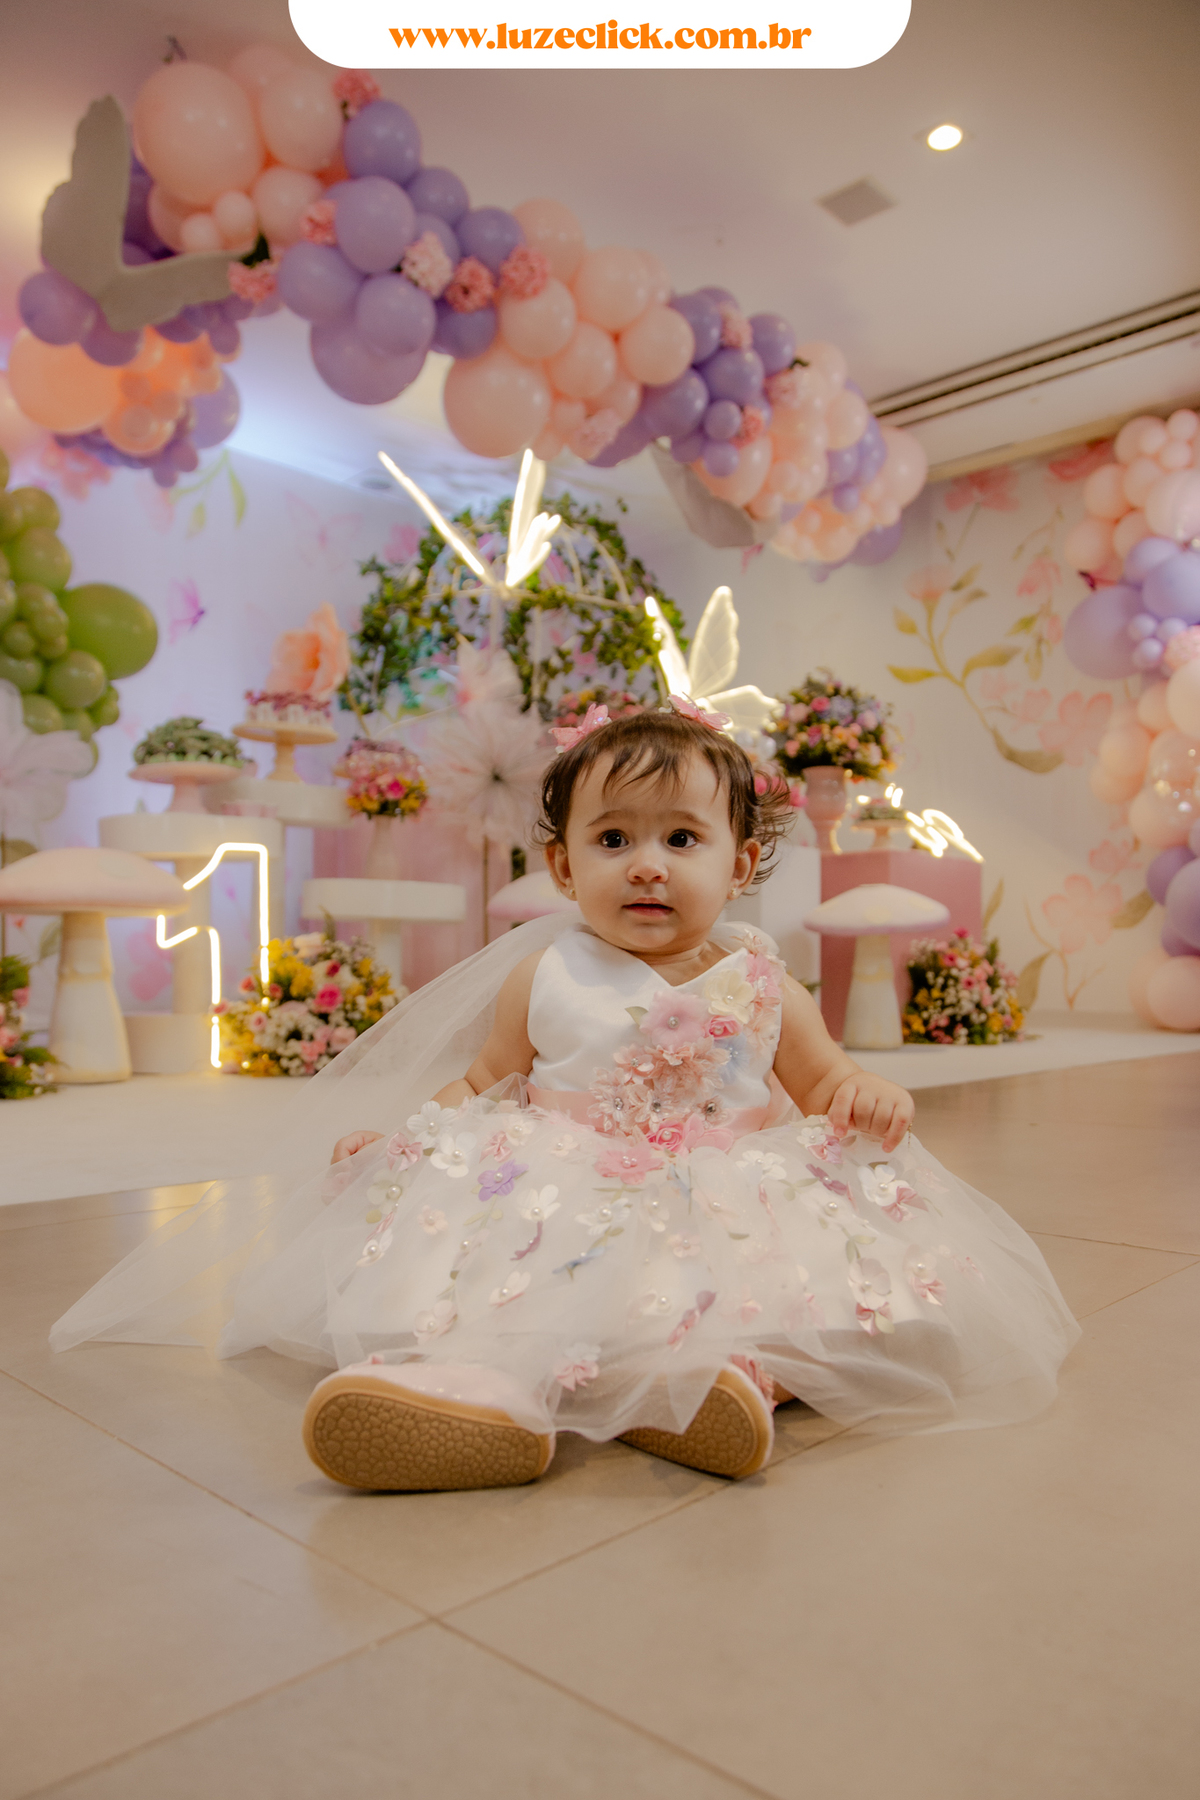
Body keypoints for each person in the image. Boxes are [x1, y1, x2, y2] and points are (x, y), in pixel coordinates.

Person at [51, 701, 1078, 1494]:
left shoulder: (765, 980)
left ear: (741, 865)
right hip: (564, 1182)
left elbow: (821, 1082)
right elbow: (485, 1081)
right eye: (613, 840)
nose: (647, 867)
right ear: (562, 863)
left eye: (682, 841)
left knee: (801, 1291)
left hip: (726, 1186)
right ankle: (484, 1400)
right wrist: (404, 1143)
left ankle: (726, 1383)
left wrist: (865, 1094)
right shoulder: (545, 972)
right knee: (515, 1279)